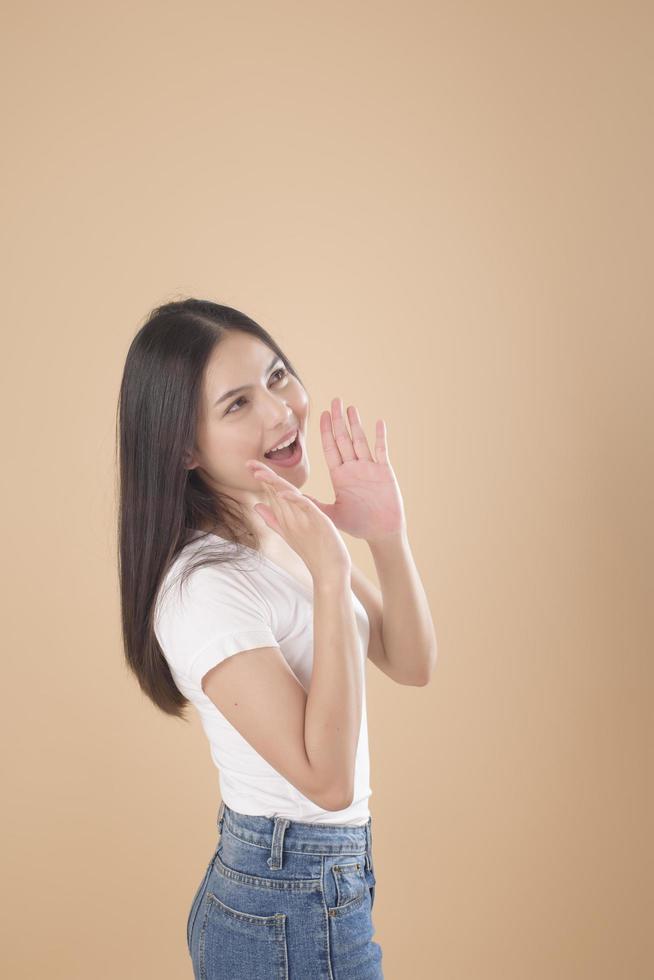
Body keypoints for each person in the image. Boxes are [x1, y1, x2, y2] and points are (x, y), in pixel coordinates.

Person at [116, 298, 437, 978]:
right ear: (184, 446)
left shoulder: (279, 529)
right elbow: (325, 780)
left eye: (278, 375)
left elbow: (411, 662)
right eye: (237, 404)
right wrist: (330, 572)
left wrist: (384, 535)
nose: (279, 410)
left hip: (317, 884)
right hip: (284, 898)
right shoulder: (204, 589)